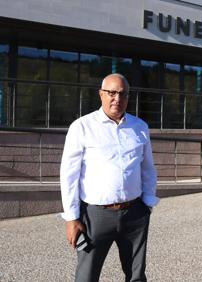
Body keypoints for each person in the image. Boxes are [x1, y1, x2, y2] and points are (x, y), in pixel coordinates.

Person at [60, 73, 159, 282]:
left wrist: (147, 204)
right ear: (101, 94)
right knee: (87, 276)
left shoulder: (139, 127)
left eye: (122, 94)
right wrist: (72, 217)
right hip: (95, 216)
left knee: (136, 276)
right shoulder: (82, 127)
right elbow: (69, 175)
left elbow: (147, 168)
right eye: (111, 93)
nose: (117, 98)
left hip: (135, 214)